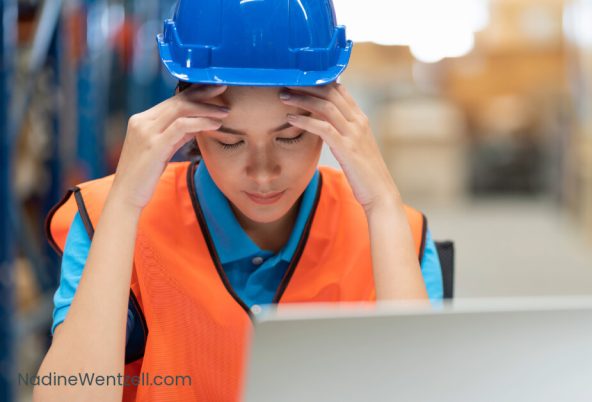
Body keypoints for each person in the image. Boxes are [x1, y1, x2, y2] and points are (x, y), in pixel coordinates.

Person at [33, 1, 443, 401]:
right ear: (186, 126)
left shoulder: (398, 234)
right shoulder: (107, 217)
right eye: (230, 141)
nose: (263, 173)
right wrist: (125, 205)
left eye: (290, 137)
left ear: (334, 120)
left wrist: (382, 204)